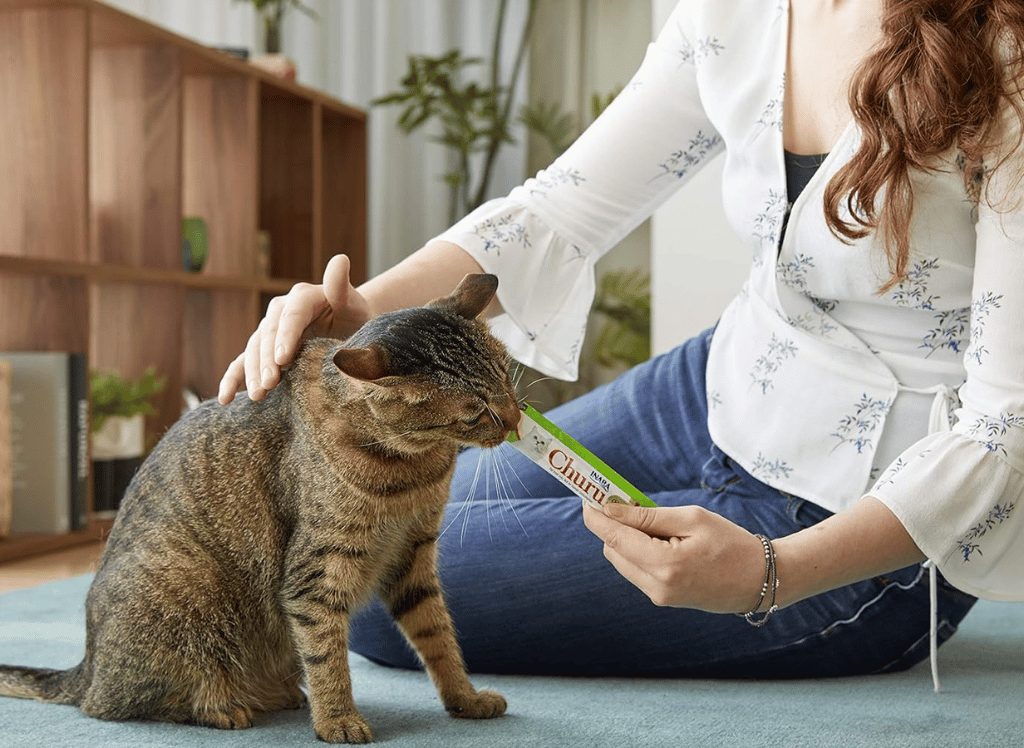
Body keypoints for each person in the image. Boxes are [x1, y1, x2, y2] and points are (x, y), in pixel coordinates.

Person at [219, 0, 1024, 680]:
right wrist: (366, 308)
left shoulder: (1007, 57)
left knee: (375, 584)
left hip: (861, 510)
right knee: (390, 509)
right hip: (710, 386)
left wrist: (770, 576)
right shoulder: (737, 12)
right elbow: (563, 208)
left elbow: (1004, 423)